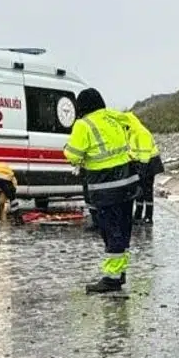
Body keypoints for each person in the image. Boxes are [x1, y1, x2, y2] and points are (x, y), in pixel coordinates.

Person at [63, 88, 140, 294]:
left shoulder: (83, 124)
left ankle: (112, 280)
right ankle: (119, 272)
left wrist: (68, 149)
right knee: (123, 230)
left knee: (111, 231)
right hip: (128, 184)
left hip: (107, 188)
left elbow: (73, 155)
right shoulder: (114, 118)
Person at [121, 109, 163, 224]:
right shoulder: (131, 133)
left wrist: (142, 170)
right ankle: (138, 215)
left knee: (147, 191)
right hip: (140, 164)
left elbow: (145, 154)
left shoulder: (141, 133)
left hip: (149, 164)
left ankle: (149, 217)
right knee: (139, 191)